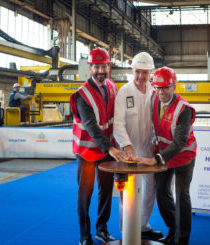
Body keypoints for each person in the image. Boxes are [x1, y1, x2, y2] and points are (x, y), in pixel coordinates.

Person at [70, 47, 127, 245]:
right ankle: (84, 236)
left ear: (108, 66)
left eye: (104, 66)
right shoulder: (81, 95)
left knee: (106, 191)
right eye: (97, 66)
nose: (101, 70)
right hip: (87, 151)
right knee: (85, 193)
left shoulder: (112, 86)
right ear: (90, 68)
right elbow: (92, 126)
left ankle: (102, 229)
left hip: (107, 150)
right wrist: (110, 148)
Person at [134, 66, 197, 245]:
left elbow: (179, 142)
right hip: (164, 155)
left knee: (182, 194)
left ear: (174, 87)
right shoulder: (154, 99)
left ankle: (182, 239)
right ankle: (173, 229)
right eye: (158, 87)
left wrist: (155, 160)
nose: (161, 92)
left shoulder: (184, 109)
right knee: (162, 193)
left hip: (184, 157)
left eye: (165, 88)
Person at [113, 52, 163, 240]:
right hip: (130, 151)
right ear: (132, 70)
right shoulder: (124, 92)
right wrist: (126, 145)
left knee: (150, 189)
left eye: (145, 72)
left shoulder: (154, 91)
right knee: (127, 191)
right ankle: (126, 228)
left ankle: (143, 225)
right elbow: (118, 123)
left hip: (148, 149)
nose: (141, 76)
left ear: (151, 72)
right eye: (138, 72)